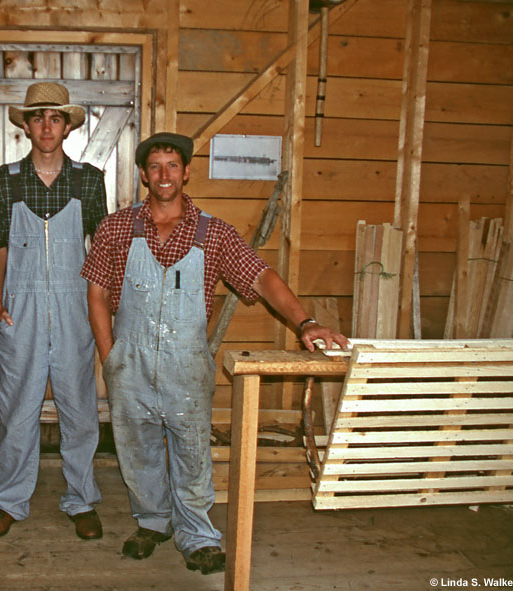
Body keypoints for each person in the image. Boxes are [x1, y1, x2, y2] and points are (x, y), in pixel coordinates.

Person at [81, 132, 348, 575]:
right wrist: (111, 357)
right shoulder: (116, 228)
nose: (164, 175)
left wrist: (306, 323)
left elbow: (262, 278)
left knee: (191, 452)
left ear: (186, 172)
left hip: (186, 365)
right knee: (137, 450)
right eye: (155, 166)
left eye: (173, 166)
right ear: (144, 174)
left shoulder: (215, 233)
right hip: (130, 361)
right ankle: (152, 522)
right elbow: (96, 294)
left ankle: (198, 536)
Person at [0, 82, 107, 542]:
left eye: (55, 118)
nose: (47, 126)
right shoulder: (6, 178)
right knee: (18, 410)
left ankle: (82, 500)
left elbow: (103, 249)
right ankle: (9, 501)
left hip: (75, 309)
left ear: (68, 126)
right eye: (38, 118)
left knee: (79, 410)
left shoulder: (89, 179)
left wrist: (99, 310)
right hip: (21, 309)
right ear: (27, 126)